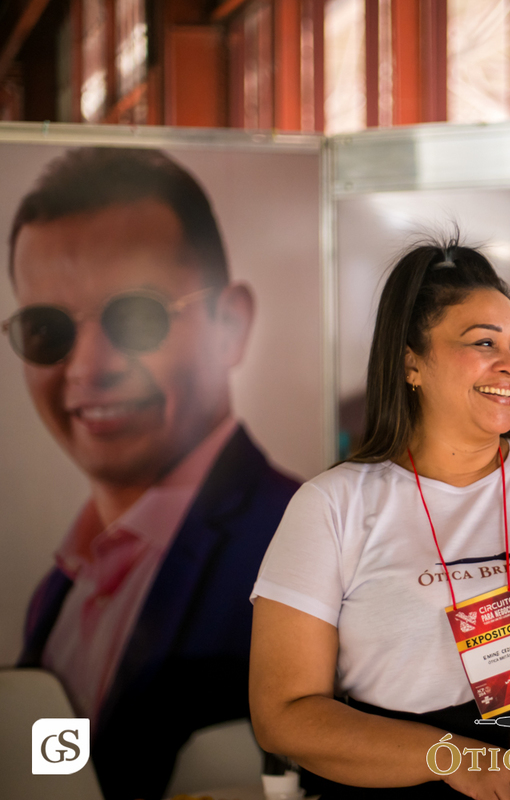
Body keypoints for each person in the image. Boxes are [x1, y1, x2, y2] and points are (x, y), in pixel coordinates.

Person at [249, 241, 510, 799]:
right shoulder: (334, 504)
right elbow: (282, 714)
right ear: (412, 362)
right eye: (484, 343)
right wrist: (456, 758)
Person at [7, 146, 300, 800]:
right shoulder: (58, 588)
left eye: (135, 318)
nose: (88, 368)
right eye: (46, 330)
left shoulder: (307, 543)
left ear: (231, 326)